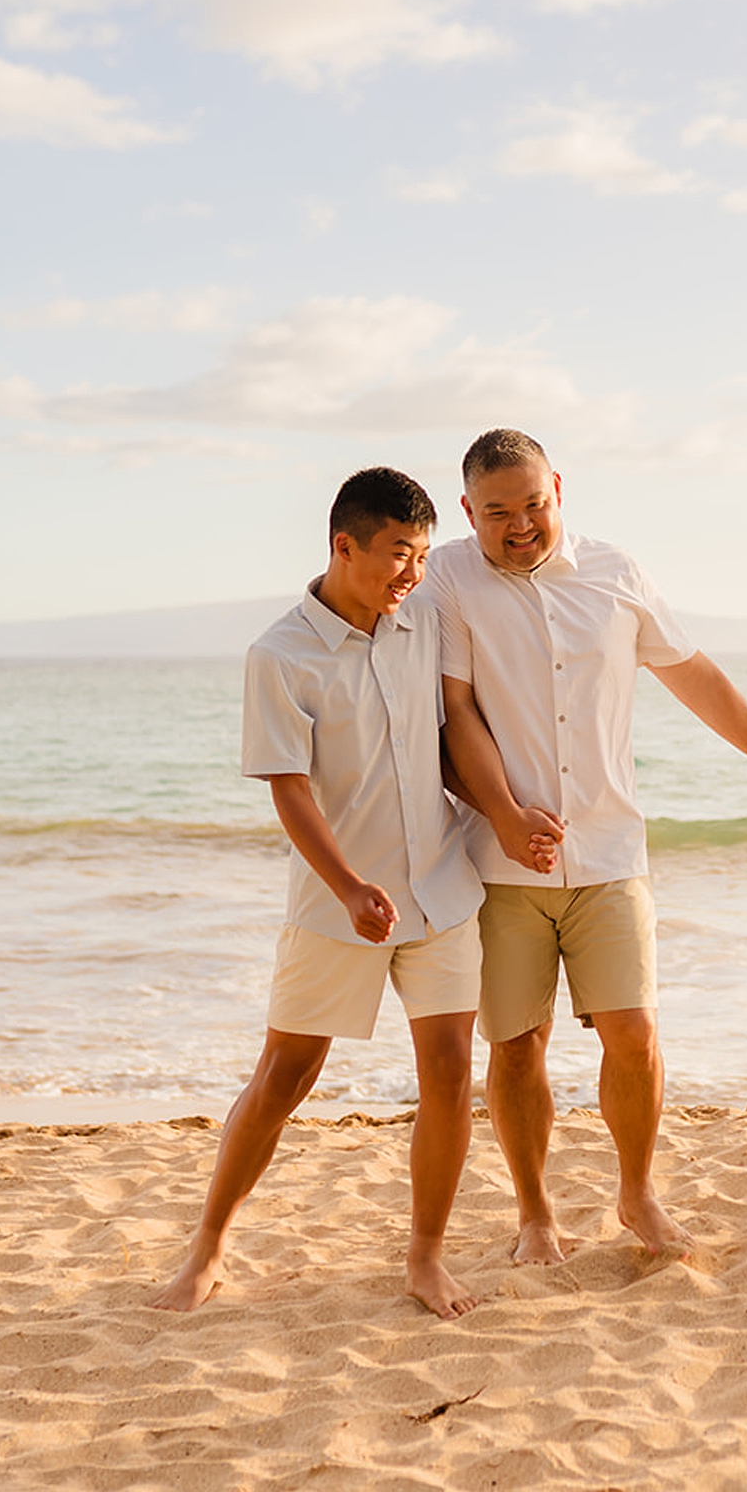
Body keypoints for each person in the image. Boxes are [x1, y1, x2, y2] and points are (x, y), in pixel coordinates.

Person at [430, 428, 747, 1263]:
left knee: (633, 1033)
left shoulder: (616, 572)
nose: (521, 524)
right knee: (517, 1045)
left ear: (558, 487)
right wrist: (504, 813)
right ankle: (535, 1215)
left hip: (609, 853)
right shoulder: (450, 577)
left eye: (534, 503)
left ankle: (637, 1193)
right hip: (502, 863)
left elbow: (692, 671)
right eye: (498, 513)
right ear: (468, 512)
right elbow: (454, 712)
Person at [148, 468, 488, 1319]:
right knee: (285, 1073)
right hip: (339, 903)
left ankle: (425, 1256)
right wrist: (346, 886)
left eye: (420, 554)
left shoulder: (423, 627)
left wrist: (508, 815)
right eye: (398, 555)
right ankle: (209, 1245)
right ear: (344, 546)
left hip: (441, 889)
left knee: (448, 1071)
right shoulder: (281, 655)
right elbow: (289, 788)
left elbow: (447, 747)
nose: (412, 573)